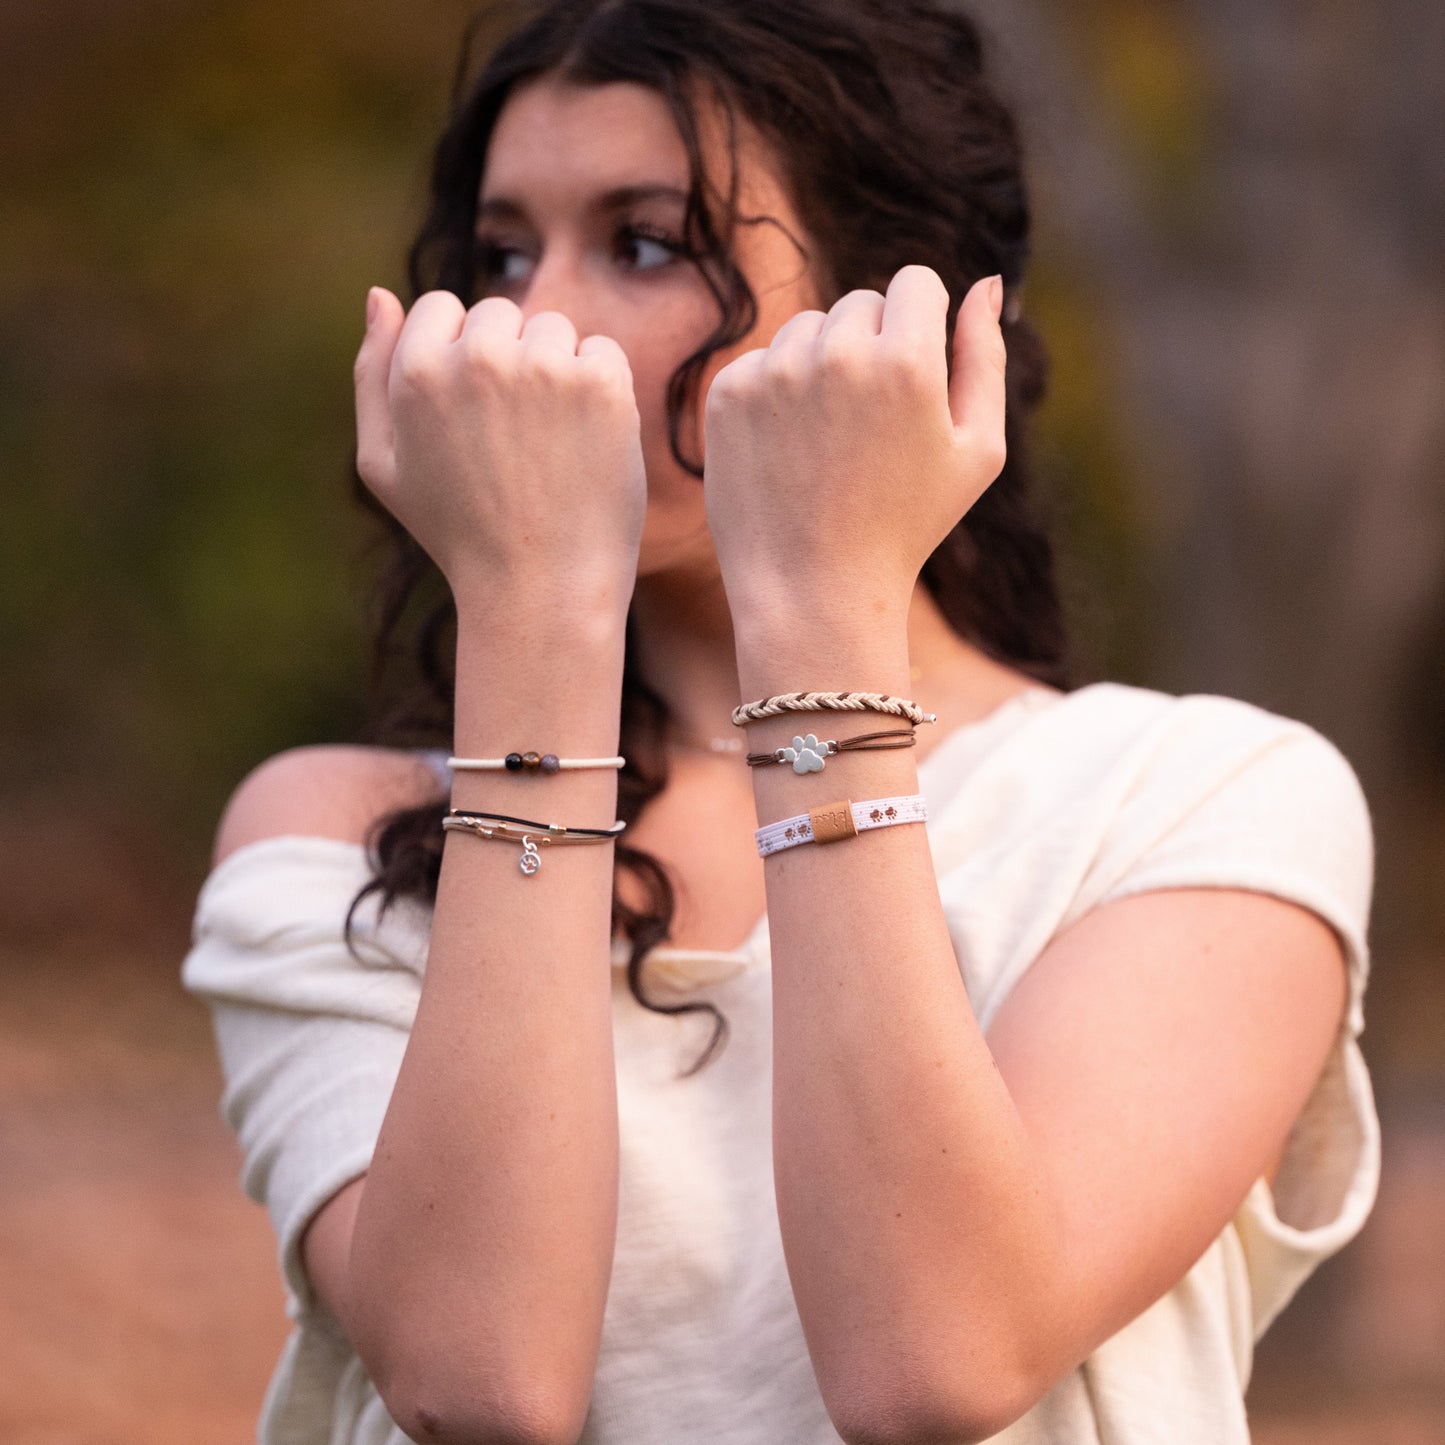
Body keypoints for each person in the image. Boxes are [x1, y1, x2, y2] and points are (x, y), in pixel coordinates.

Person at [181, 2, 1380, 1442]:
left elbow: (929, 1359)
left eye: (643, 240)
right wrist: (531, 617)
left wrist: (815, 604)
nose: (528, 321)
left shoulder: (1188, 800)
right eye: (500, 253)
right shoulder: (328, 825)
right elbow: (479, 1378)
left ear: (888, 318)